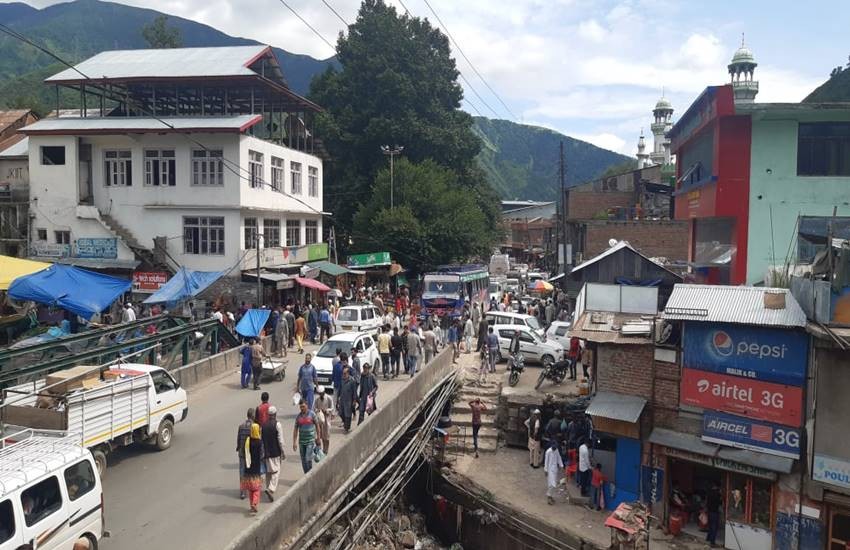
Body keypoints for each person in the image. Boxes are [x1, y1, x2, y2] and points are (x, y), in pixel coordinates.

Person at [262, 406, 285, 502]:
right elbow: (280, 440)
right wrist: (283, 451)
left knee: (268, 472)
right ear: (275, 414)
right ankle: (271, 489)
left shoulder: (263, 425)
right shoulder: (277, 424)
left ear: (268, 415)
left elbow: (262, 440)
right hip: (275, 452)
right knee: (276, 471)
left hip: (266, 453)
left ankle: (268, 488)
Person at [241, 423, 264, 514]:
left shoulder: (247, 441)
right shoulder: (259, 442)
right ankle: (254, 503)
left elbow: (243, 453)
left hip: (248, 468)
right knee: (257, 488)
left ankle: (251, 506)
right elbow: (262, 455)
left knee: (250, 489)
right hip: (256, 469)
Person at [292, 399, 320, 474]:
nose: (302, 408)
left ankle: (309, 474)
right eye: (301, 407)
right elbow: (295, 430)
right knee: (303, 460)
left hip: (310, 441)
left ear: (307, 406)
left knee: (308, 458)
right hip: (301, 442)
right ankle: (306, 474)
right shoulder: (298, 417)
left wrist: (318, 438)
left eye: (303, 406)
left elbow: (317, 426)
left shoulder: (312, 414)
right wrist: (294, 443)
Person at [236, 408, 255, 499]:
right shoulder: (254, 427)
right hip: (250, 454)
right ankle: (252, 489)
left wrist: (238, 447)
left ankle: (242, 492)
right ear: (253, 416)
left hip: (242, 453)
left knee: (242, 472)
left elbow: (238, 439)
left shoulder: (241, 426)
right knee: (251, 472)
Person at [313, 386, 334, 453]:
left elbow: (332, 408)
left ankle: (326, 450)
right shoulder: (317, 399)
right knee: (319, 436)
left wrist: (327, 410)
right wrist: (318, 410)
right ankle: (321, 450)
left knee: (326, 436)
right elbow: (314, 408)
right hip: (319, 419)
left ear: (324, 392)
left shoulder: (329, 398)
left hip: (326, 419)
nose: (320, 395)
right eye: (319, 393)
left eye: (321, 393)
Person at [337, 367, 358, 432]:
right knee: (340, 413)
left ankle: (347, 428)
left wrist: (354, 400)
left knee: (348, 414)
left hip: (349, 400)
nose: (343, 374)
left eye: (345, 373)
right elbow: (339, 389)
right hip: (342, 400)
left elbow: (354, 391)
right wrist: (338, 397)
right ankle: (345, 423)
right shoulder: (342, 380)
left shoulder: (352, 381)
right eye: (343, 373)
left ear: (348, 373)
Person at [544, 441, 564, 505]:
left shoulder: (556, 450)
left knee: (552, 484)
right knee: (552, 484)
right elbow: (546, 461)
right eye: (554, 447)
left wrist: (561, 466)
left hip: (555, 470)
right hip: (549, 470)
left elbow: (559, 458)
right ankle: (549, 496)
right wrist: (545, 470)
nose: (555, 448)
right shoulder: (548, 452)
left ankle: (550, 497)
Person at [706, 482, 722, 546]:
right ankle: (712, 542)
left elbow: (707, 502)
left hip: (709, 511)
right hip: (714, 512)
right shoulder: (717, 494)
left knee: (710, 526)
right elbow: (720, 502)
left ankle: (708, 538)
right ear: (718, 487)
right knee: (714, 527)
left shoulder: (709, 492)